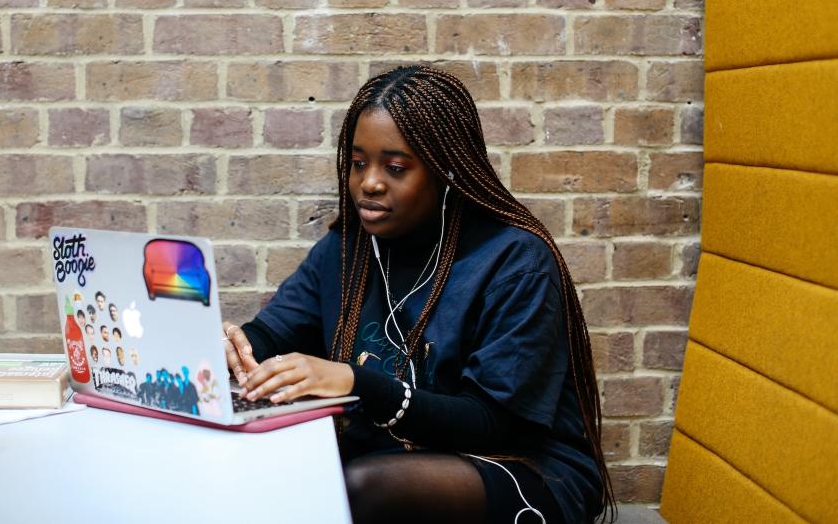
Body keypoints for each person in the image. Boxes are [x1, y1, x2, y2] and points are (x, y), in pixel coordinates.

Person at [222, 66, 613, 523]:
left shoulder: (515, 262)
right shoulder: (347, 248)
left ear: (448, 171)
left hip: (518, 465)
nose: (369, 182)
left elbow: (492, 424)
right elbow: (273, 332)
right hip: (388, 452)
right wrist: (237, 348)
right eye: (357, 162)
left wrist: (357, 383)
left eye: (395, 167)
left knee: (363, 485)